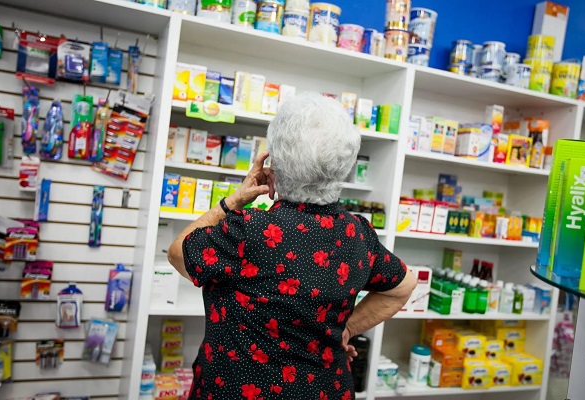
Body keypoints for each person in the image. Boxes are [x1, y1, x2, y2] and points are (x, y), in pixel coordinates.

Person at [167, 93, 417, 400]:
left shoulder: (250, 230)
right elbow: (404, 286)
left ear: (274, 163)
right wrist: (347, 330)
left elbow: (178, 253)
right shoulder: (358, 234)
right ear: (346, 162)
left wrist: (233, 200)